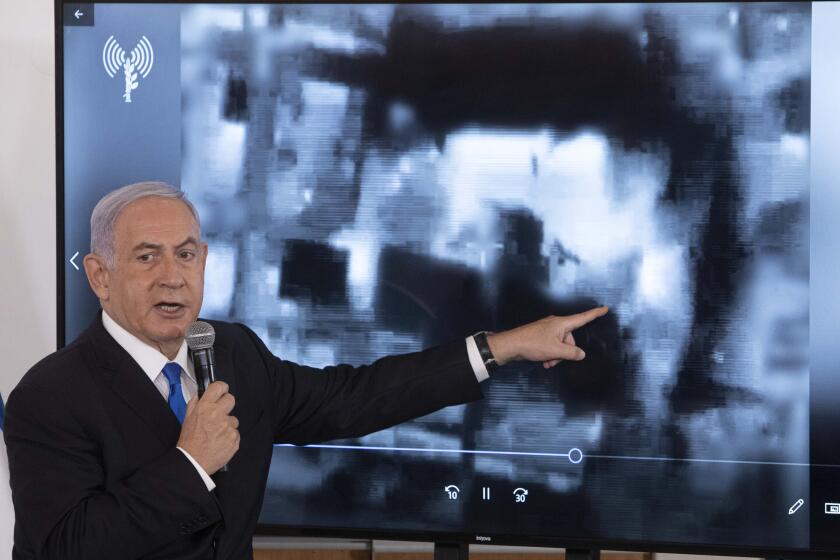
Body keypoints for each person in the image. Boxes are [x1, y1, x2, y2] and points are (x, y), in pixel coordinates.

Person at [4, 182, 608, 560]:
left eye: (187, 254)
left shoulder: (232, 352)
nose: (173, 276)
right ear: (99, 276)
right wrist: (189, 466)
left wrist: (500, 347)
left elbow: (354, 397)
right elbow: (66, 547)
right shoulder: (50, 396)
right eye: (146, 257)